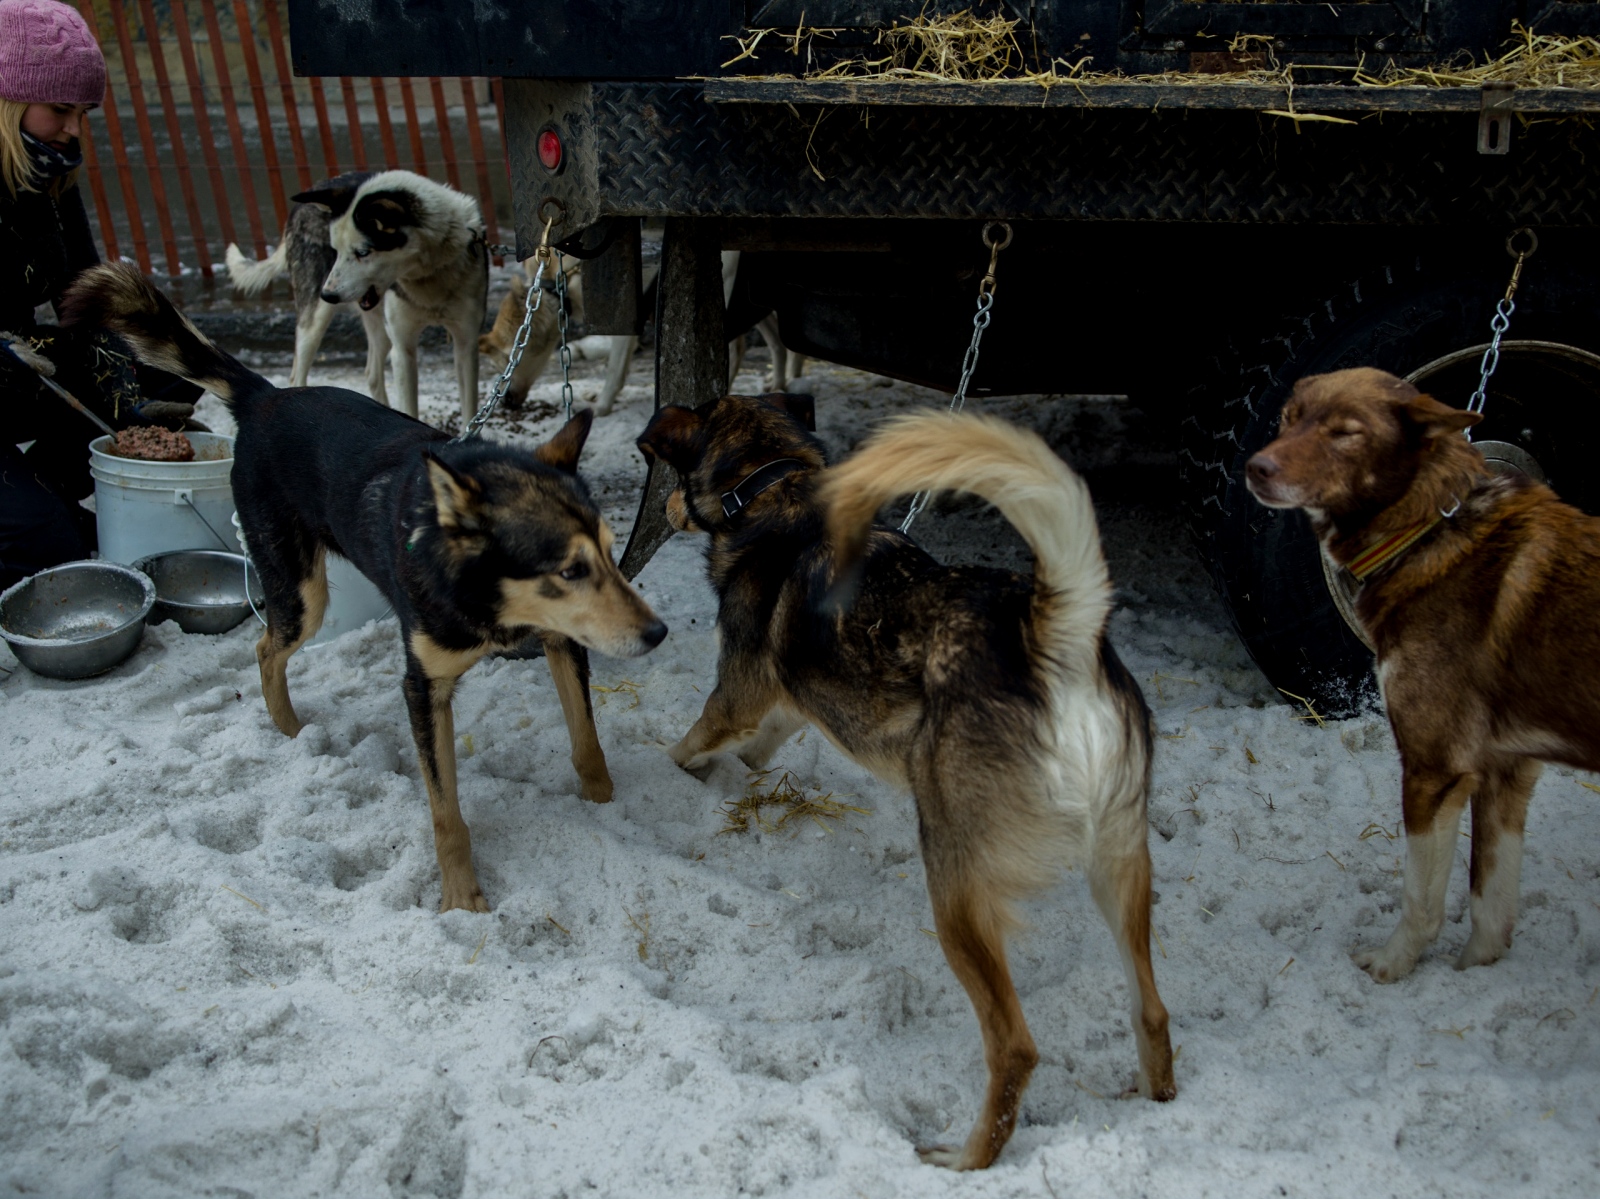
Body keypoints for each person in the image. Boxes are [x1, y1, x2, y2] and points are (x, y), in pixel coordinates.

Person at [0, 0, 199, 590]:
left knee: (168, 368)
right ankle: (39, 519)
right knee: (55, 550)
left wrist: (131, 375)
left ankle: (42, 497)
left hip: (13, 364)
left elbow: (81, 289)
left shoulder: (48, 169)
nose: (73, 128)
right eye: (61, 110)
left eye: (83, 113)